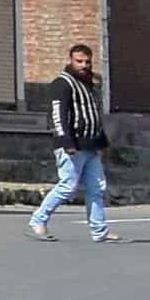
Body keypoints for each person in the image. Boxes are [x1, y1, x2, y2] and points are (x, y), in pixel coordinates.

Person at [31, 44, 115, 244]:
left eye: (87, 61)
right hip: (72, 145)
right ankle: (38, 220)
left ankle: (99, 231)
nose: (84, 65)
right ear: (70, 60)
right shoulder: (62, 83)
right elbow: (57, 115)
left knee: (97, 188)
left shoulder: (89, 85)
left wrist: (102, 142)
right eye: (79, 61)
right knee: (68, 186)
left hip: (91, 145)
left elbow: (93, 116)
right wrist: (67, 141)